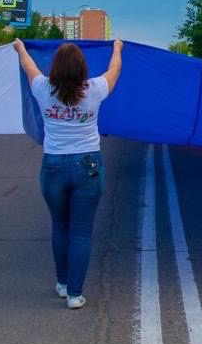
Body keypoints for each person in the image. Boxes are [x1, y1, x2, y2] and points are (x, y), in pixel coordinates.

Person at [13, 38, 123, 310]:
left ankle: (62, 284)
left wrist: (21, 49)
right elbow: (114, 71)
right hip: (88, 166)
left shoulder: (43, 89)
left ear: (56, 68)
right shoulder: (94, 89)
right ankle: (75, 294)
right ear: (81, 68)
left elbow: (28, 67)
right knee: (81, 232)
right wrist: (117, 49)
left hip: (53, 167)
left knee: (60, 226)